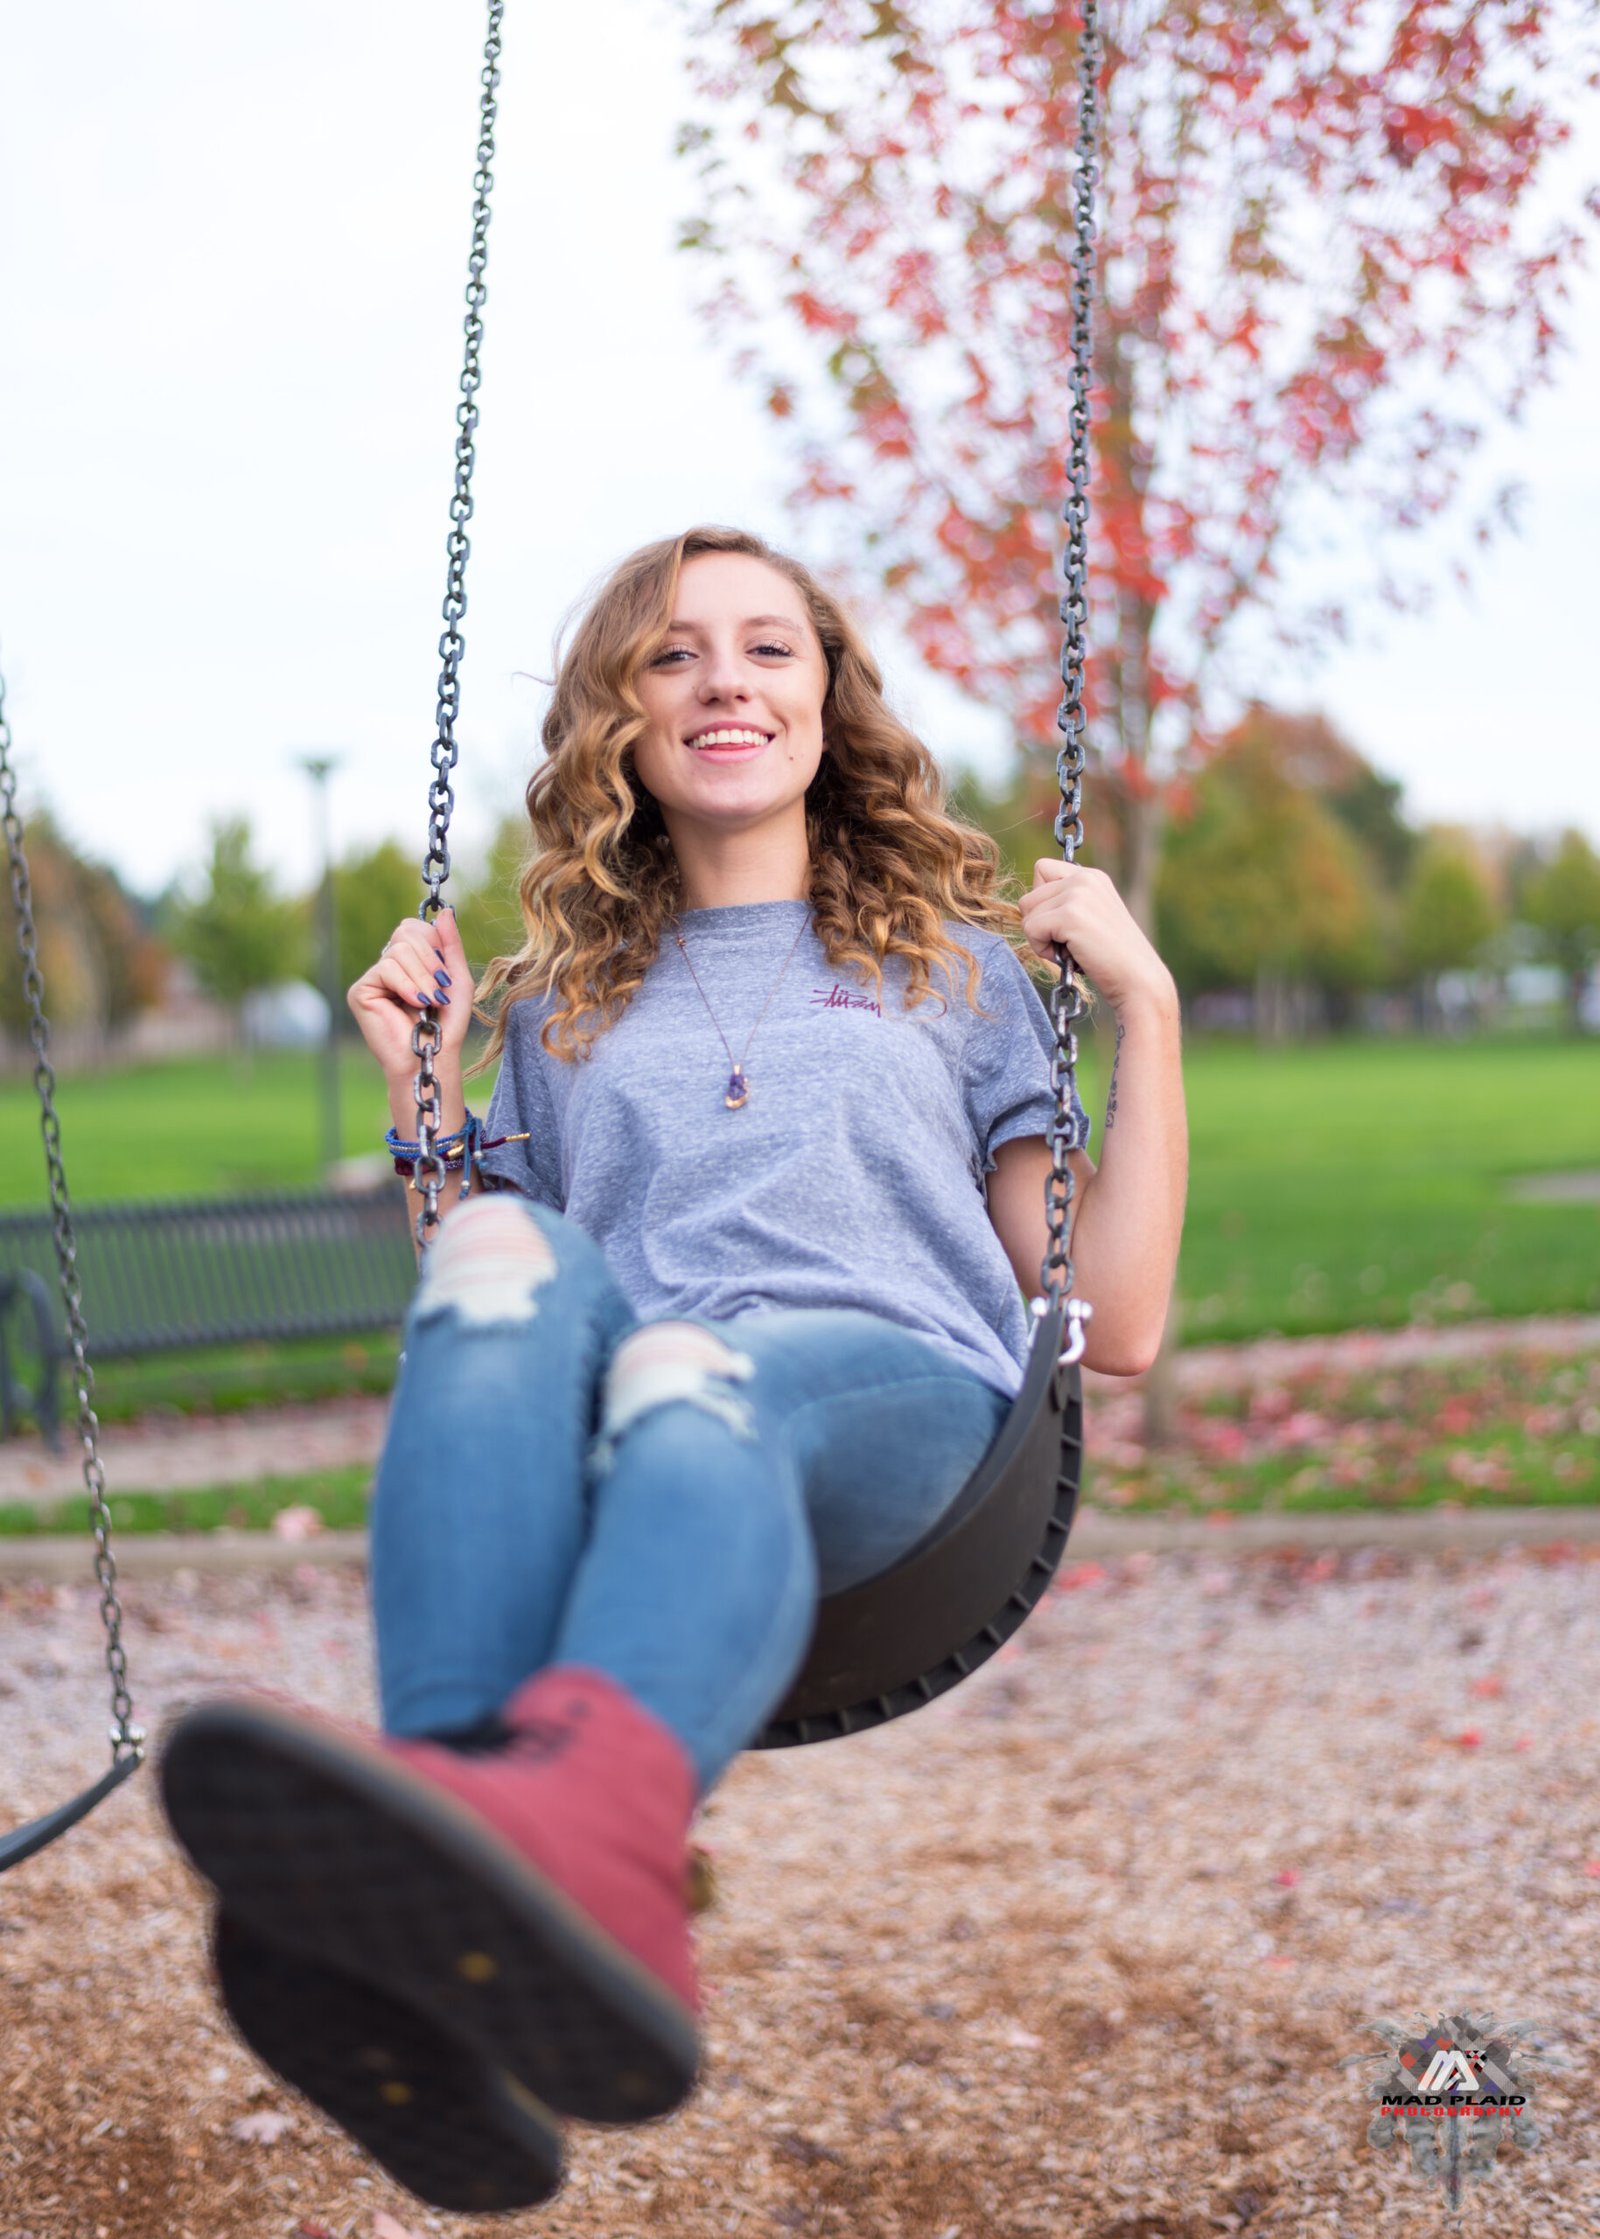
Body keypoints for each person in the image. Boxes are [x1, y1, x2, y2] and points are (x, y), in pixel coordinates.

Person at [158, 525, 1187, 2215]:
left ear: (827, 699)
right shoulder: (558, 1008)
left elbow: (1116, 1321)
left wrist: (1144, 1008)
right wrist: (422, 1096)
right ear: (619, 718)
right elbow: (498, 1349)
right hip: (655, 1432)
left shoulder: (954, 969)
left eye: (770, 647)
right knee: (497, 1262)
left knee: (695, 1357)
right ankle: (463, 1898)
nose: (726, 681)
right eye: (673, 652)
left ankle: (596, 1840)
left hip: (908, 1432)